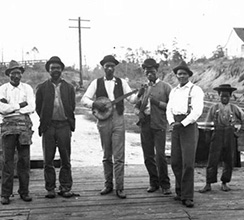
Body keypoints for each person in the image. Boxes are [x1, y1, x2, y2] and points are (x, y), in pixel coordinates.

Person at [81, 55, 140, 199]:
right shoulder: (96, 82)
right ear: (103, 67)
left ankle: (120, 187)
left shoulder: (122, 83)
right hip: (103, 121)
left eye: (112, 66)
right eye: (107, 66)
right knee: (107, 155)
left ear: (115, 68)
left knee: (119, 156)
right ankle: (108, 185)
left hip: (118, 119)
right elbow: (84, 99)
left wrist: (140, 94)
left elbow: (132, 100)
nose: (109, 68)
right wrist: (95, 104)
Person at [35, 56, 76, 199]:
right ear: (49, 70)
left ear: (61, 70)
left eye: (58, 68)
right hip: (49, 126)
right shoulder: (42, 87)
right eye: (53, 68)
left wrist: (68, 121)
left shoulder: (69, 87)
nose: (55, 70)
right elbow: (38, 107)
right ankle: (50, 188)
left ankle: (65, 187)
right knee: (48, 159)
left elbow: (72, 106)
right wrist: (45, 120)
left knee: (66, 159)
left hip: (64, 125)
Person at [166, 61, 204, 208]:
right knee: (176, 161)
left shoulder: (195, 90)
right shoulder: (174, 91)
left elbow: (197, 111)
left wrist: (183, 123)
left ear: (189, 75)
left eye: (184, 74)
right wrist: (171, 123)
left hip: (188, 126)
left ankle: (187, 196)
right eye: (179, 74)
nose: (181, 76)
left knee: (188, 163)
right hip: (175, 125)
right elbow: (169, 108)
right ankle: (180, 191)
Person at [0, 60, 35, 205]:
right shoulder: (3, 89)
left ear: (21, 74)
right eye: (13, 73)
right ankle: (5, 194)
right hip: (8, 128)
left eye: (18, 73)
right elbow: (1, 109)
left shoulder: (27, 88)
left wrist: (11, 108)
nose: (16, 75)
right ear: (9, 75)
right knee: (7, 160)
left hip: (24, 127)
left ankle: (24, 192)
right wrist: (19, 106)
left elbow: (31, 107)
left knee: (24, 160)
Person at [134, 58, 172, 195]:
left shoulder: (165, 87)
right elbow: (136, 106)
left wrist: (156, 102)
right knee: (148, 155)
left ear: (157, 71)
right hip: (145, 124)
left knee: (160, 156)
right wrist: (139, 113)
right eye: (147, 71)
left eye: (152, 71)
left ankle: (165, 184)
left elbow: (171, 107)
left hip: (159, 124)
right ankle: (153, 182)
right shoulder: (143, 88)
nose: (149, 74)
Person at [199, 84, 244, 193]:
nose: (224, 98)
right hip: (217, 134)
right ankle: (208, 183)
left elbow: (243, 118)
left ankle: (224, 182)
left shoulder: (234, 108)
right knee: (212, 159)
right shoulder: (214, 108)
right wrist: (207, 135)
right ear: (219, 96)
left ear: (230, 97)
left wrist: (239, 128)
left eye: (227, 96)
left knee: (228, 159)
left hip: (229, 135)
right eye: (222, 96)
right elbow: (207, 123)